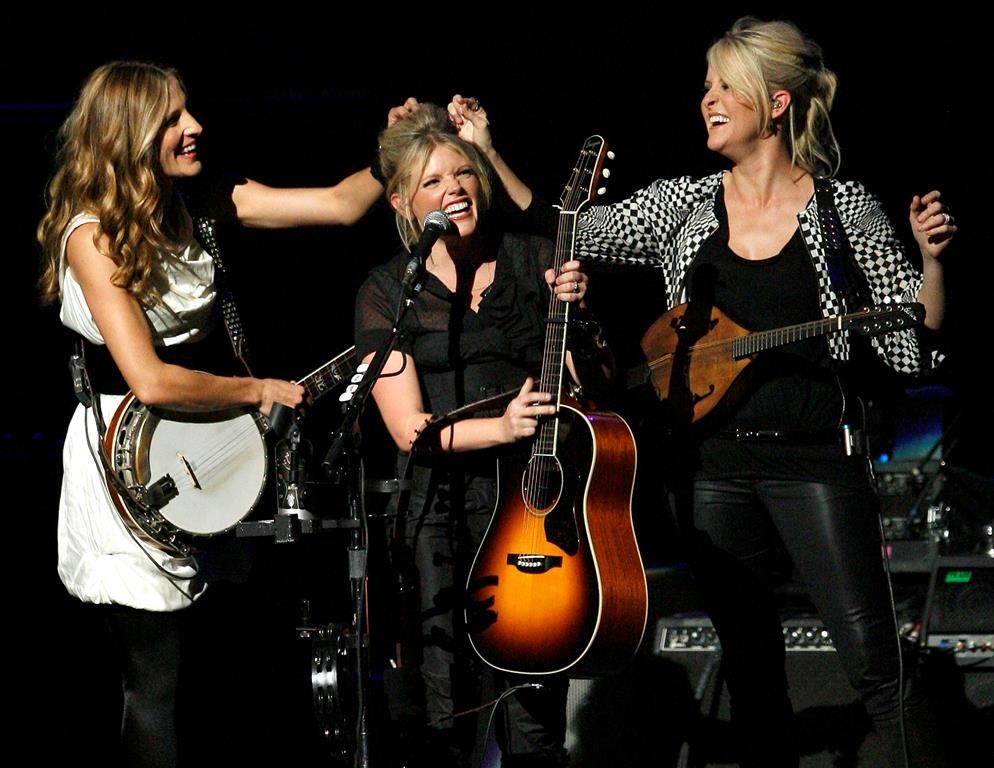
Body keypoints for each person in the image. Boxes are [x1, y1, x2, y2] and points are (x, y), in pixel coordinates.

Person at [448, 16, 956, 768]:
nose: (708, 100)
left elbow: (912, 344)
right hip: (711, 471)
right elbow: (573, 229)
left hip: (817, 463)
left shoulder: (842, 210)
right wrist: (488, 152)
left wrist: (931, 262)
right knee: (751, 670)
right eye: (707, 87)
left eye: (726, 87)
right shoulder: (684, 204)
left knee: (876, 666)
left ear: (775, 103)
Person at [36, 61, 413, 767]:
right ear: (128, 135)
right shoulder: (92, 237)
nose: (195, 127)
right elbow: (147, 379)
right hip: (132, 464)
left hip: (208, 448)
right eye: (174, 119)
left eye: (190, 113)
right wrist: (257, 389)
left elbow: (337, 205)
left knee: (221, 665)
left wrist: (388, 153)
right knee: (154, 678)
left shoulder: (200, 199)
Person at [353, 102, 603, 767]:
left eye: (463, 173)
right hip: (437, 513)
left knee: (533, 711)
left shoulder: (536, 260)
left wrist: (574, 319)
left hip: (531, 509)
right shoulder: (388, 292)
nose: (455, 189)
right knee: (448, 711)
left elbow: (587, 380)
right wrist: (500, 426)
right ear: (405, 202)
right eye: (434, 181)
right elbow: (409, 430)